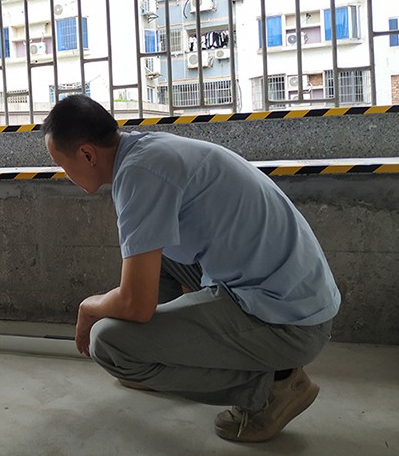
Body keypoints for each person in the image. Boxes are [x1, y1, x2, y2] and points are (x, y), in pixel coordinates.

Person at [41, 95, 341, 443]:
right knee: (155, 257)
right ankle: (160, 357)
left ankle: (273, 388)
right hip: (292, 294)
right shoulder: (147, 149)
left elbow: (136, 305)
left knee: (109, 344)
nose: (64, 174)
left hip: (288, 323)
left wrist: (88, 306)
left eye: (61, 164)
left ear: (87, 154)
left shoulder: (138, 175)